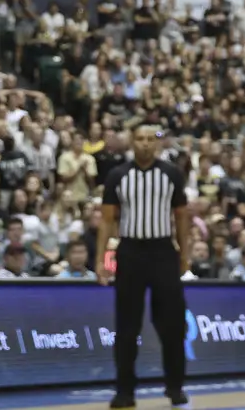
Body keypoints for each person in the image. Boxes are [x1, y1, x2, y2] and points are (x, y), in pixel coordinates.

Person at [99, 125, 190, 410]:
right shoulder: (117, 175)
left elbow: (182, 217)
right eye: (140, 139)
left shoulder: (172, 173)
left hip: (163, 251)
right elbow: (106, 220)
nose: (146, 144)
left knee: (173, 326)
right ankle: (125, 391)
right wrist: (101, 260)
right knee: (126, 326)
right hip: (130, 252)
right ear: (132, 142)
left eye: (151, 139)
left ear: (158, 144)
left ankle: (175, 387)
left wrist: (184, 254)